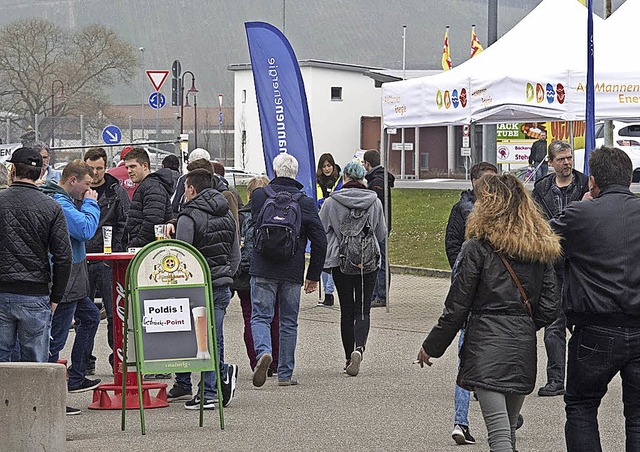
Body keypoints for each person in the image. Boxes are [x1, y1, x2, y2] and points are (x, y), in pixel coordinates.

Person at [418, 173, 560, 452]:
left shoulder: (476, 248)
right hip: (521, 346)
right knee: (506, 432)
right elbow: (550, 305)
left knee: (499, 436)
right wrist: (523, 323)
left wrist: (431, 346)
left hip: (485, 345)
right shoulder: (539, 249)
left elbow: (457, 306)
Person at [549, 147, 640, 451]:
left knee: (581, 407)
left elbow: (540, 242)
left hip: (594, 327)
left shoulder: (580, 212)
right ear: (629, 179)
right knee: (638, 416)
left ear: (592, 181)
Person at [165, 169, 240, 409]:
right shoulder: (227, 213)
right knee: (214, 337)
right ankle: (219, 379)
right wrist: (226, 274)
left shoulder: (188, 217)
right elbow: (235, 253)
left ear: (191, 189)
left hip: (198, 287)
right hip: (222, 284)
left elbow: (183, 255)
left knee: (202, 341)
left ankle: (208, 391)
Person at [250, 153, 327, 387]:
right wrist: (313, 275)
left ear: (274, 172)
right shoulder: (304, 201)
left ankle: (264, 352)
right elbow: (320, 239)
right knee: (288, 322)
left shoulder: (259, 196)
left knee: (261, 316)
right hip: (292, 271)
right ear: (296, 174)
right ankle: (285, 374)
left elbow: (253, 229)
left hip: (262, 267)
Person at [0, 147, 71, 364]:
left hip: (2, 291)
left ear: (12, 170)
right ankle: (34, 400)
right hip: (36, 293)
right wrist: (56, 297)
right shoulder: (52, 207)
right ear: (41, 173)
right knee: (36, 364)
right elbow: (63, 257)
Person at [41, 160, 101, 417]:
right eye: (87, 185)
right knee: (55, 339)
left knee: (91, 317)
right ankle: (52, 397)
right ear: (73, 180)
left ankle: (76, 375)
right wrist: (92, 203)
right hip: (63, 280)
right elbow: (85, 229)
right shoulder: (60, 203)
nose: (89, 189)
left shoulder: (65, 200)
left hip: (74, 279)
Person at [444, 161, 497, 445]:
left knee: (481, 360)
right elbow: (451, 244)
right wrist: (464, 273)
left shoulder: (504, 210)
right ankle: (461, 421)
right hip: (473, 292)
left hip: (494, 294)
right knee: (468, 359)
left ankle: (505, 414)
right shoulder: (461, 210)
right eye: (486, 180)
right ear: (474, 180)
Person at [319, 161, 386, 376]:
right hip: (368, 262)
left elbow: (322, 229)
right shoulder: (374, 201)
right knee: (363, 308)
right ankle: (360, 348)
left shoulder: (331, 202)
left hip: (342, 261)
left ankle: (349, 357)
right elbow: (381, 232)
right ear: (362, 179)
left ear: (345, 177)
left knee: (347, 309)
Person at [532, 140, 588, 398]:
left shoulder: (585, 184)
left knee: (581, 324)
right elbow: (536, 222)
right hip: (552, 265)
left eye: (569, 158)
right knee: (553, 326)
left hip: (580, 266)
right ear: (551, 162)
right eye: (562, 159)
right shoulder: (542, 188)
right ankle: (555, 379)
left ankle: (584, 377)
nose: (567, 163)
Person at [83, 147, 131, 373]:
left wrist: (115, 249)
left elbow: (125, 220)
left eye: (99, 168)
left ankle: (117, 359)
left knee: (114, 313)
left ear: (105, 167)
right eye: (91, 169)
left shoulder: (114, 191)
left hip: (107, 258)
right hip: (82, 258)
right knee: (84, 313)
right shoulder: (77, 190)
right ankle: (85, 360)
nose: (95, 173)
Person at [233, 176, 280, 376]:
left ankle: (257, 360)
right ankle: (275, 362)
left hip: (245, 274)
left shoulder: (240, 216)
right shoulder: (277, 214)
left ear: (249, 194)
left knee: (250, 318)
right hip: (271, 271)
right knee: (274, 318)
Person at [122, 147, 174, 248]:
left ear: (145, 165)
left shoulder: (152, 187)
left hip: (149, 249)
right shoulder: (148, 186)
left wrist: (135, 244)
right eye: (127, 167)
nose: (129, 171)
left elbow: (152, 222)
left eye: (133, 166)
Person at [363, 149, 395, 308]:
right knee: (377, 259)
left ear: (367, 163)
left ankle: (381, 295)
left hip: (378, 226)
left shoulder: (376, 182)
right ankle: (376, 293)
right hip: (381, 225)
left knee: (380, 259)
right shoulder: (379, 179)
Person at [316, 153, 342, 307]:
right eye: (324, 166)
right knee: (322, 259)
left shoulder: (339, 181)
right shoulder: (317, 182)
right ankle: (327, 292)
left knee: (332, 258)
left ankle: (330, 292)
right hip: (321, 223)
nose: (327, 168)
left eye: (329, 165)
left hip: (336, 224)